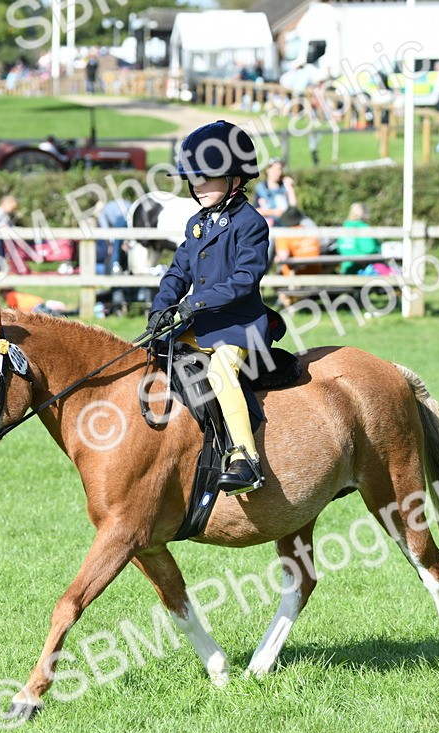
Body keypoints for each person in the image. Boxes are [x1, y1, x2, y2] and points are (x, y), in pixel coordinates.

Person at [145, 120, 280, 495]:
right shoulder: (197, 223)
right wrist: (161, 307)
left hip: (239, 328)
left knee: (221, 370)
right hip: (201, 325)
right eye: (193, 180)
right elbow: (178, 271)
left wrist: (196, 302)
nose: (198, 186)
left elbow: (245, 280)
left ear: (235, 179)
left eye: (206, 179)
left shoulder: (251, 224)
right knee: (155, 356)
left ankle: (245, 460)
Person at [337, 202, 381, 274]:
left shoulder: (345, 227)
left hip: (346, 269)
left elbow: (339, 247)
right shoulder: (363, 227)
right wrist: (378, 249)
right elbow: (369, 248)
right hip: (362, 270)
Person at [254, 159, 297, 225]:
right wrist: (273, 212)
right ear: (268, 170)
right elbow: (256, 211)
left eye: (280, 169)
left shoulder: (284, 187)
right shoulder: (261, 188)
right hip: (268, 225)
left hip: (285, 224)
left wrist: (290, 188)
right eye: (275, 169)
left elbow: (293, 206)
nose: (278, 172)